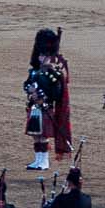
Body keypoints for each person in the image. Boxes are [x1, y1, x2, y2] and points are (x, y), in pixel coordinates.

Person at [25, 29, 75, 165]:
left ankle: (44, 161)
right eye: (41, 55)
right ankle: (37, 160)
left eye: (45, 56)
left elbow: (56, 93)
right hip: (34, 107)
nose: (42, 58)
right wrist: (29, 90)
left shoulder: (54, 74)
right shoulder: (34, 71)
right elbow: (26, 84)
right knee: (35, 135)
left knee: (43, 136)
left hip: (45, 107)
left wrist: (41, 95)